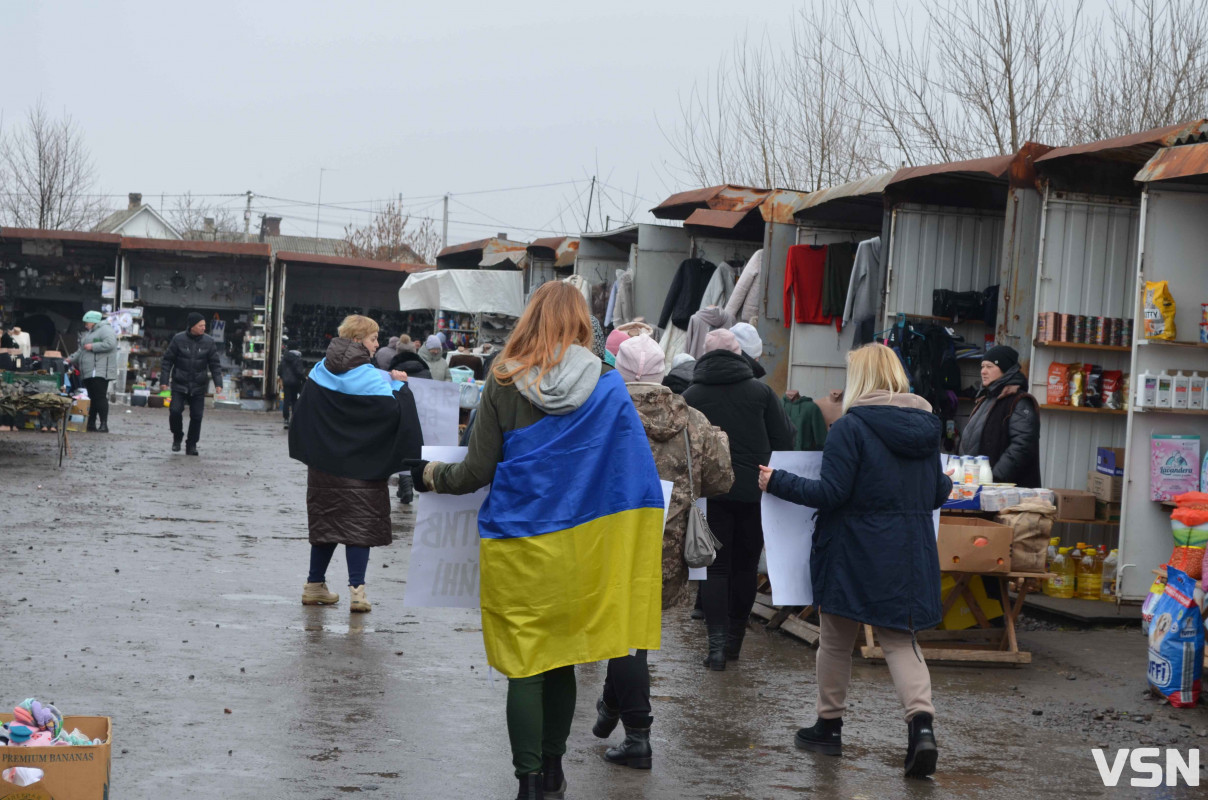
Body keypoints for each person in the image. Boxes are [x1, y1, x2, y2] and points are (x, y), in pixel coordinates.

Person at [409, 282, 664, 800]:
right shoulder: (608, 384)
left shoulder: (503, 378)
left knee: (524, 665)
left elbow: (476, 471)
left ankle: (527, 782)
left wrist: (430, 474)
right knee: (564, 657)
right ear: (580, 323)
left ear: (530, 318)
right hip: (585, 548)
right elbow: (631, 473)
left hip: (517, 545)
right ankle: (553, 772)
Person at [757, 343, 950, 779]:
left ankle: (828, 727)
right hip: (910, 550)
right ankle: (922, 729)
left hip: (854, 551)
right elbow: (939, 491)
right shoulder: (926, 426)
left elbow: (831, 494)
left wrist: (778, 482)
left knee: (836, 640)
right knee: (902, 641)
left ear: (861, 378)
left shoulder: (851, 427)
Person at [592, 334, 734, 770]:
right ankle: (611, 707)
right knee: (633, 633)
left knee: (625, 637)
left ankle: (638, 736)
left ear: (619, 371)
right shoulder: (693, 419)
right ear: (660, 371)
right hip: (669, 546)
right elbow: (723, 480)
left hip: (610, 536)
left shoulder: (602, 412)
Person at [288, 315, 420, 614]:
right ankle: (358, 593)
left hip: (323, 466)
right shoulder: (372, 378)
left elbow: (306, 413)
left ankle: (314, 586)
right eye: (373, 339)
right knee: (357, 527)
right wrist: (400, 387)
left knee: (327, 524)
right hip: (362, 468)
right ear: (359, 340)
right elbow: (392, 415)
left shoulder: (320, 370)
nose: (376, 346)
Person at [682, 327, 795, 670]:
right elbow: (785, 439)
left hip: (709, 494)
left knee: (715, 569)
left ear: (705, 354)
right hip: (753, 493)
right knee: (745, 567)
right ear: (739, 355)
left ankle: (715, 649)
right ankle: (733, 645)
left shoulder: (690, 394)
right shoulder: (761, 393)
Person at [958, 345, 1041, 488]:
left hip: (1005, 492)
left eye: (989, 367)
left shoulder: (1019, 402)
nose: (983, 371)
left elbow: (1022, 446)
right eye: (982, 366)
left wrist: (993, 478)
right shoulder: (987, 399)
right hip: (979, 486)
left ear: (1005, 369)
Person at [160, 312, 223, 456]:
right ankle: (177, 436)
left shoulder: (209, 342)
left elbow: (215, 364)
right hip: (179, 384)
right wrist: (164, 381)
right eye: (200, 325)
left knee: (197, 416)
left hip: (198, 386)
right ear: (192, 326)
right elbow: (167, 361)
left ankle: (192, 444)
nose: (203, 328)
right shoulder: (178, 339)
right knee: (175, 411)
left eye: (204, 325)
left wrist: (218, 383)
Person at [66, 311, 118, 432]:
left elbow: (111, 344)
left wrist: (93, 346)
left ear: (93, 321)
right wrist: (70, 359)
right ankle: (91, 424)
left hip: (99, 370)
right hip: (90, 371)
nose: (85, 325)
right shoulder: (90, 332)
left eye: (87, 322)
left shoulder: (105, 329)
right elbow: (81, 350)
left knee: (99, 397)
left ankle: (104, 424)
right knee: (92, 397)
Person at [279, 348, 307, 429]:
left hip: (286, 383)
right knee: (294, 400)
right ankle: (294, 419)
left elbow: (279, 371)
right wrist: (303, 379)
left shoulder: (284, 358)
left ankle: (286, 419)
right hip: (295, 383)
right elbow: (299, 372)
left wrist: (284, 377)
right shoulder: (298, 358)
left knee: (286, 401)